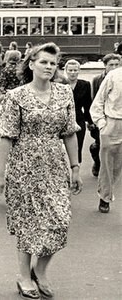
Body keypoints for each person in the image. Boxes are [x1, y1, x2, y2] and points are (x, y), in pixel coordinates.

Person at [0, 43, 82, 299]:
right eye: (44, 62)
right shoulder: (15, 97)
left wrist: (75, 167)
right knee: (28, 225)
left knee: (60, 220)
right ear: (31, 64)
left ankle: (40, 269)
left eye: (53, 63)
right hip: (23, 168)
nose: (49, 67)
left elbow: (70, 133)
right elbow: (5, 137)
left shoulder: (65, 94)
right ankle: (24, 277)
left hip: (55, 167)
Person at [90, 65, 122, 214]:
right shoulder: (114, 75)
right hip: (114, 123)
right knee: (109, 165)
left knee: (117, 166)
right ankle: (105, 197)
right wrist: (102, 124)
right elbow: (98, 102)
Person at [89, 53, 120, 177]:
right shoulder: (97, 80)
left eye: (117, 65)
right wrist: (96, 121)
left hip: (116, 118)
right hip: (102, 118)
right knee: (98, 145)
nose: (114, 67)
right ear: (105, 66)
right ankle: (98, 164)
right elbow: (94, 100)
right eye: (111, 65)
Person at [64, 60, 94, 168]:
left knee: (78, 145)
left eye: (75, 70)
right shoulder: (60, 84)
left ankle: (76, 171)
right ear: (66, 71)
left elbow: (87, 105)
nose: (72, 73)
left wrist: (90, 121)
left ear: (79, 71)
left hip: (79, 118)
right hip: (62, 118)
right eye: (70, 70)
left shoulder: (85, 84)